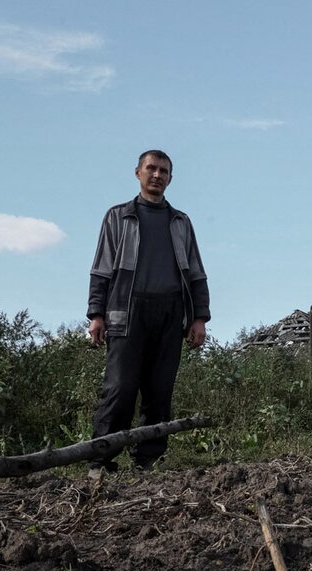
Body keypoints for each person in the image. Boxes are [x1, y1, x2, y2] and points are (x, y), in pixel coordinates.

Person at [86, 149, 210, 475]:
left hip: (171, 312)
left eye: (164, 171)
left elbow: (196, 272)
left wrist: (199, 317)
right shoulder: (118, 217)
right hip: (127, 310)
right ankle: (102, 461)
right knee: (120, 387)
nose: (157, 175)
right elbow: (101, 270)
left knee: (159, 389)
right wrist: (96, 314)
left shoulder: (180, 222)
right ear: (138, 173)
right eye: (151, 169)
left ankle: (149, 461)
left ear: (170, 178)